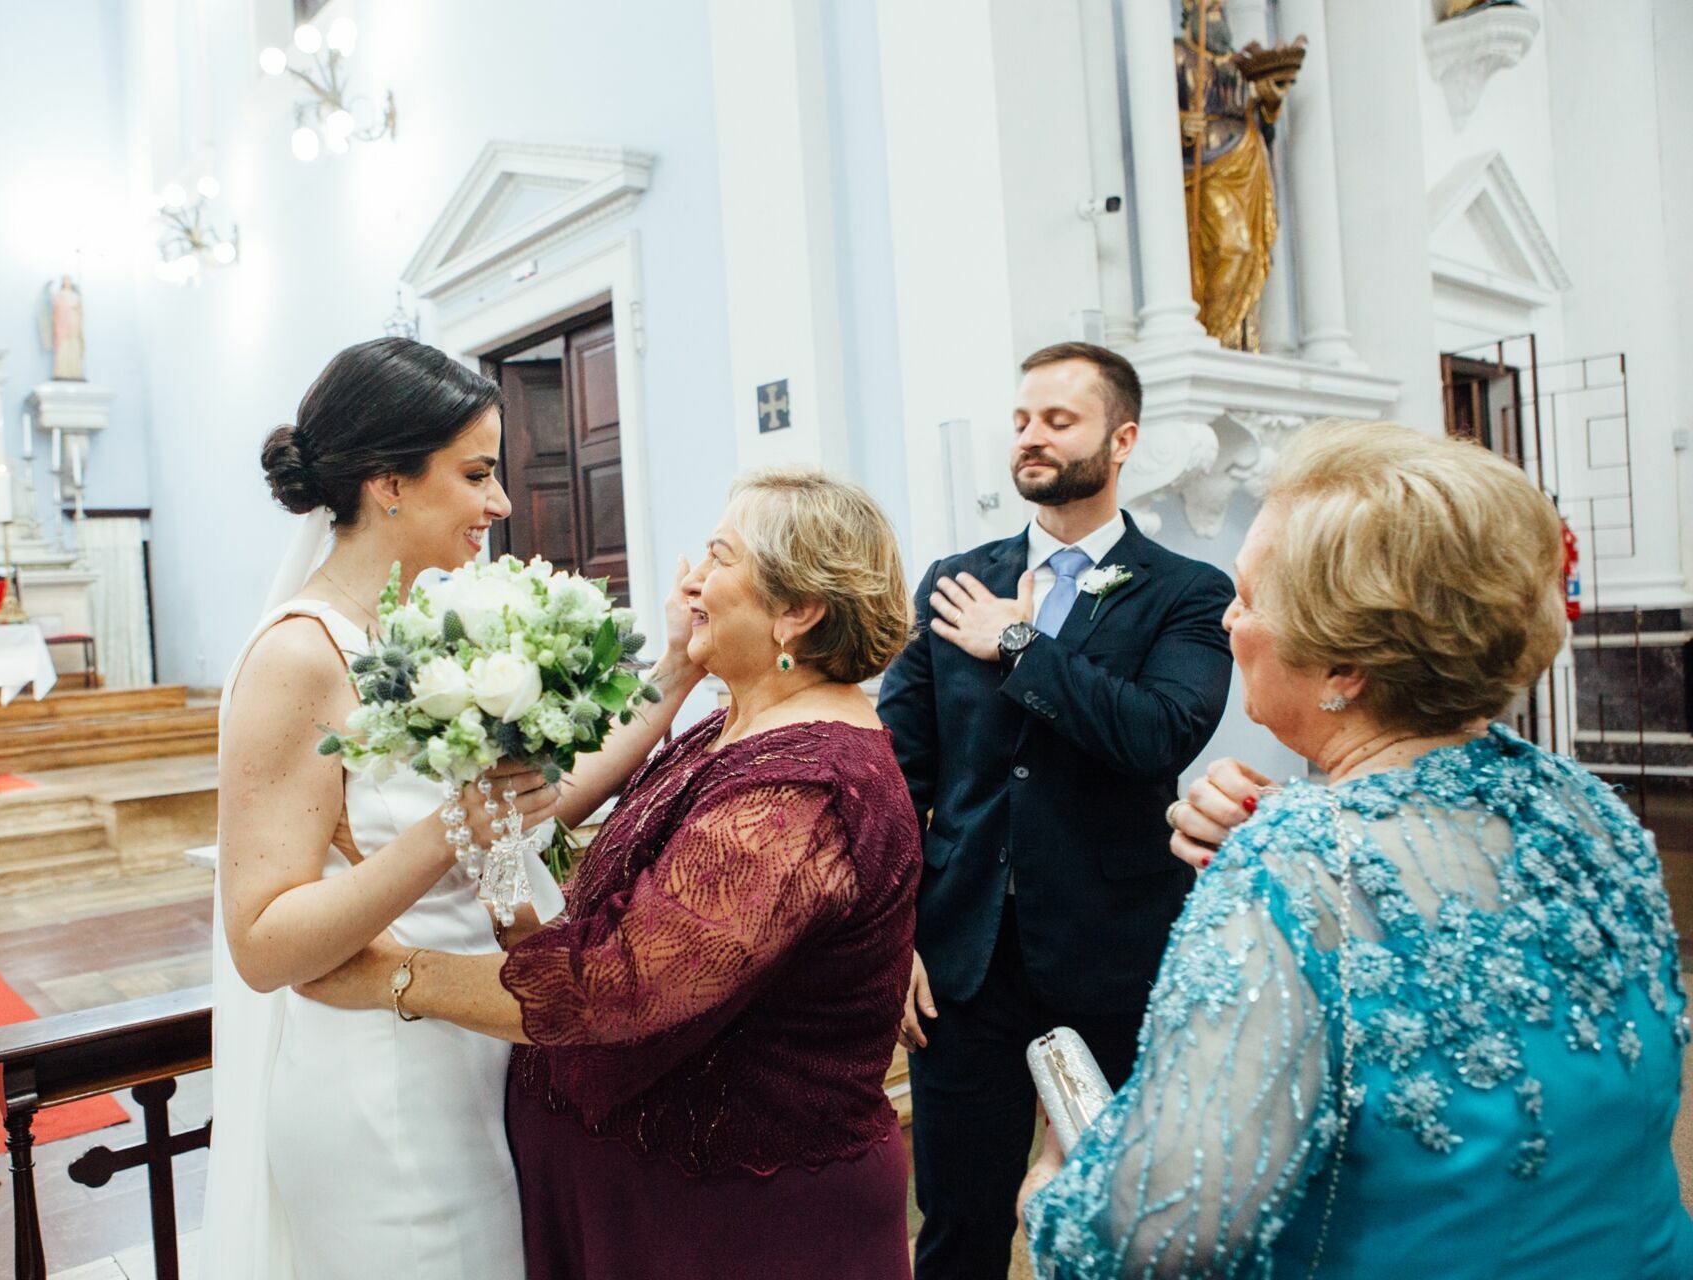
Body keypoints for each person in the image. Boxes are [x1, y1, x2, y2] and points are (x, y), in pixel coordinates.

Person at [1021, 422, 1693, 1277]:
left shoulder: (1293, 868)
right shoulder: (1591, 808)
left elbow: (1155, 1244)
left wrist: (1052, 1190)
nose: (1228, 621)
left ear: (1344, 667)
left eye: (1248, 597)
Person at [300, 467, 922, 1279]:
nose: (692, 579)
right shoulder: (729, 730)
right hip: (646, 1195)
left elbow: (618, 990)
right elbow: (622, 922)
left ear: (797, 610)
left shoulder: (796, 792)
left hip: (738, 1224)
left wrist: (394, 975)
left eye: (720, 556)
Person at [201, 337, 565, 1280]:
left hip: (464, 1062)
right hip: (379, 1096)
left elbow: (474, 848)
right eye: (477, 473)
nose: (501, 503)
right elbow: (264, 942)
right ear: (387, 482)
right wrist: (454, 830)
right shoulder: (299, 655)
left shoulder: (404, 638)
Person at [876, 341, 1234, 1280]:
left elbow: (1158, 733)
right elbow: (903, 764)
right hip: (965, 957)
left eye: (1059, 421)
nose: (1031, 439)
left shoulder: (1189, 593)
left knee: (1123, 1217)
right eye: (1023, 421)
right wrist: (897, 927)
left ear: (1122, 441)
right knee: (957, 1219)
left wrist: (1022, 644)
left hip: (1114, 950)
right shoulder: (959, 579)